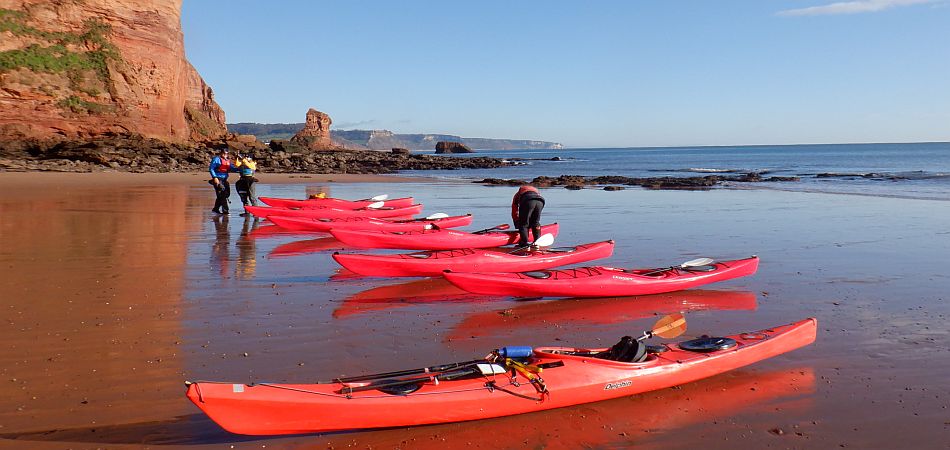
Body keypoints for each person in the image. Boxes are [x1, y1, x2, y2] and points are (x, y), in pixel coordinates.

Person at [208, 146, 234, 214]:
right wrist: (215, 177)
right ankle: (226, 211)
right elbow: (211, 168)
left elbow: (232, 168)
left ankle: (215, 209)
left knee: (226, 194)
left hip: (224, 179)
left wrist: (241, 169)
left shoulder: (227, 160)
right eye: (224, 153)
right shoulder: (216, 159)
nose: (225, 155)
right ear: (221, 153)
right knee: (222, 195)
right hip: (218, 179)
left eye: (226, 153)